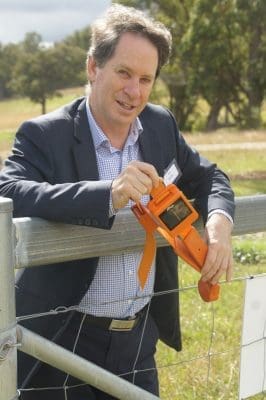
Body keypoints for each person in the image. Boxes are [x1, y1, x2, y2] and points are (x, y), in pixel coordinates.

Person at [0, 4, 235, 399]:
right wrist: (105, 194)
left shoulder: (161, 125)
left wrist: (220, 220)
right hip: (62, 339)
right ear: (93, 67)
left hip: (138, 341)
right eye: (124, 73)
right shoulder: (44, 133)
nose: (134, 91)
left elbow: (210, 175)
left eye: (146, 79)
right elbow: (8, 191)